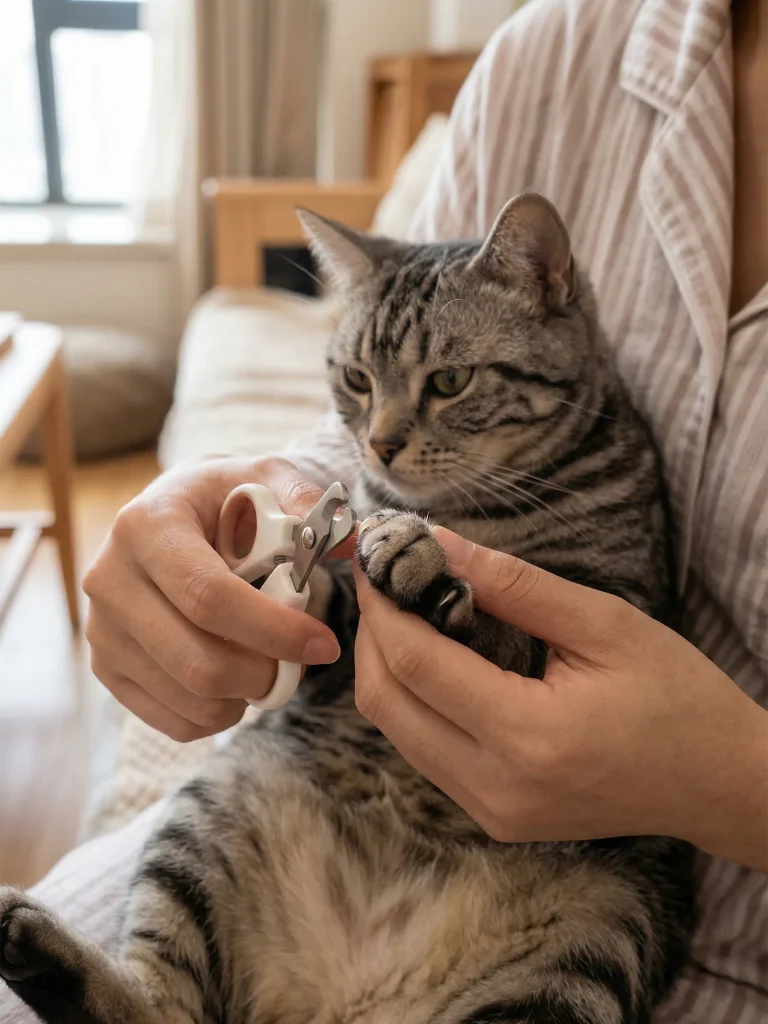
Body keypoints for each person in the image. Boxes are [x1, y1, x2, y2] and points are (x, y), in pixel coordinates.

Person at [2, 0, 766, 1020]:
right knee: (218, 801)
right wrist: (262, 501)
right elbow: (353, 451)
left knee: (615, 926)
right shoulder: (551, 53)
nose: (390, 439)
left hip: (576, 889)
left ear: (548, 288)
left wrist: (727, 780)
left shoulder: (599, 483)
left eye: (445, 390)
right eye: (361, 390)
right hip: (326, 811)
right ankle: (150, 996)